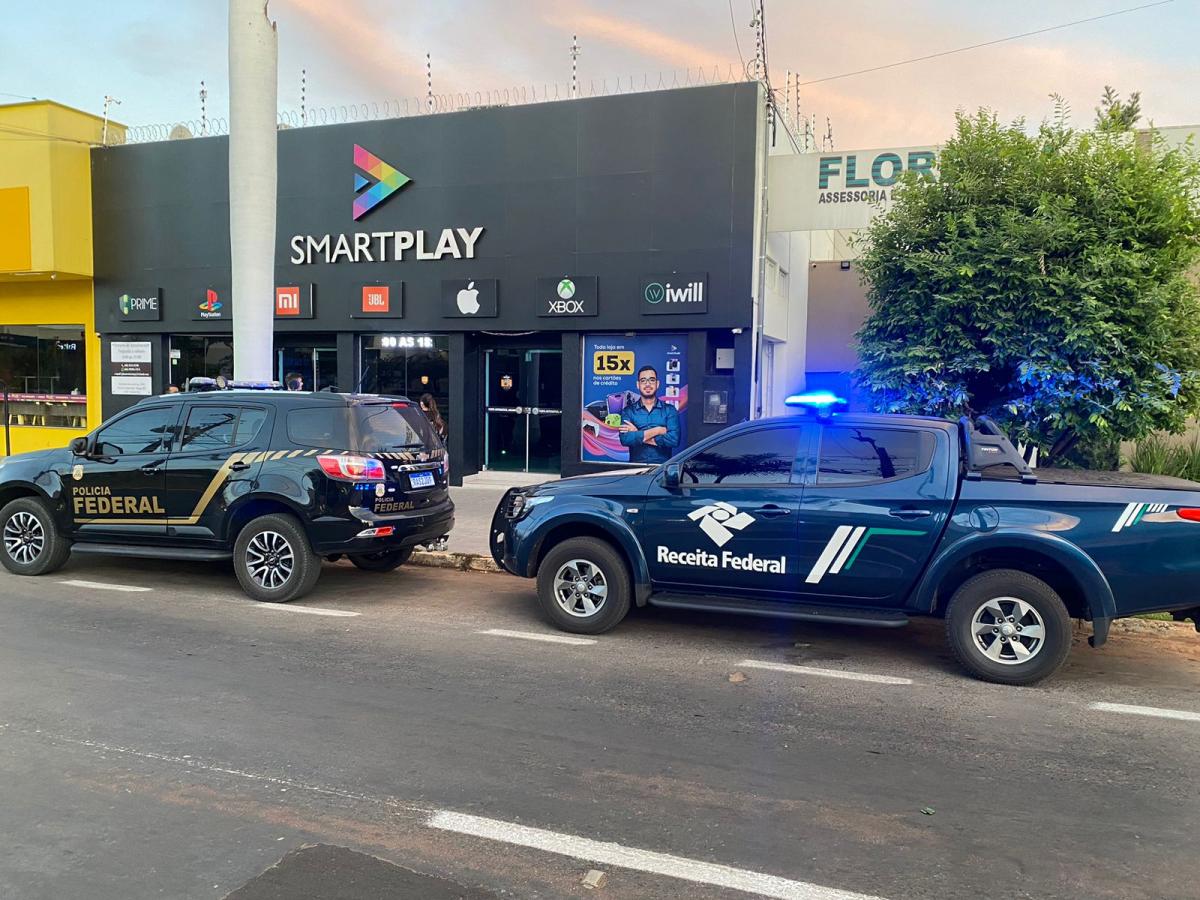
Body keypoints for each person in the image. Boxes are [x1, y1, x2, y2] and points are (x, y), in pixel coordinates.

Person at [619, 365, 679, 464]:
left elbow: (673, 440)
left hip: (662, 468)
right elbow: (625, 439)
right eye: (643, 380)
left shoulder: (670, 410)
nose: (647, 384)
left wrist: (637, 433)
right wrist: (658, 430)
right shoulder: (628, 411)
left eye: (652, 380)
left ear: (657, 384)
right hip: (636, 469)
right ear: (638, 384)